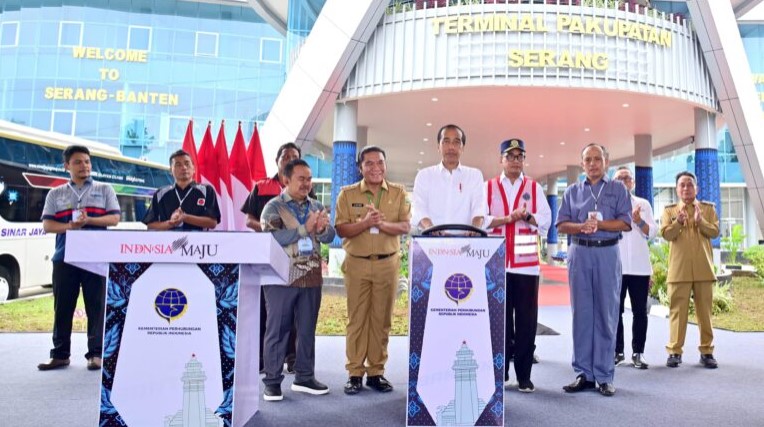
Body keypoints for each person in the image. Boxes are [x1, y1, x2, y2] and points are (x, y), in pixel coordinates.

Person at [334, 146, 411, 395]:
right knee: (357, 319)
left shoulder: (398, 193)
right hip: (356, 263)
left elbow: (405, 226)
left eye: (379, 163)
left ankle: (376, 372)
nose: (375, 168)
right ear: (360, 167)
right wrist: (366, 223)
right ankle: (355, 373)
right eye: (369, 163)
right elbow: (341, 229)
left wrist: (381, 223)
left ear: (385, 166)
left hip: (387, 263)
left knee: (382, 319)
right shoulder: (347, 194)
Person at [556, 144, 631, 397]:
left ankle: (604, 375)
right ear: (582, 164)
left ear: (606, 162)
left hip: (608, 252)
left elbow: (626, 222)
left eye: (597, 159)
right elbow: (561, 225)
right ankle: (584, 374)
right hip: (579, 252)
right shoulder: (572, 192)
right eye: (587, 159)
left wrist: (599, 224)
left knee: (606, 313)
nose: (592, 163)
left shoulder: (618, 189)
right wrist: (580, 227)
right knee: (582, 313)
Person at [38, 145, 121, 371]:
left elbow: (114, 219)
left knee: (96, 306)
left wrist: (89, 221)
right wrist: (70, 226)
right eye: (77, 162)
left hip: (96, 257)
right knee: (62, 306)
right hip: (64, 257)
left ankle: (96, 354)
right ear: (66, 166)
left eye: (86, 161)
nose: (84, 166)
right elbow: (47, 225)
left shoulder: (105, 189)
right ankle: (60, 354)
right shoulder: (56, 193)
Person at [260, 158, 336, 401]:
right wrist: (305, 229)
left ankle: (304, 376)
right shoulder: (273, 206)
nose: (307, 184)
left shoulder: (315, 205)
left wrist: (323, 228)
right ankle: (272, 381)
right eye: (301, 179)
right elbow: (272, 237)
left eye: (309, 179)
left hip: (311, 276)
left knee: (306, 330)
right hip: (281, 277)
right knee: (277, 330)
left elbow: (330, 236)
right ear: (286, 180)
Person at [485, 138, 551, 393]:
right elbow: (479, 220)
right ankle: (499, 373)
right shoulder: (487, 187)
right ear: (501, 159)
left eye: (519, 156)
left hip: (526, 267)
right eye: (509, 156)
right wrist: (507, 218)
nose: (514, 161)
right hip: (497, 265)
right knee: (499, 322)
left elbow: (545, 222)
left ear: (524, 160)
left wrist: (528, 216)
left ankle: (524, 375)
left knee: (526, 322)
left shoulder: (534, 188)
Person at [241, 142, 303, 374]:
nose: (289, 159)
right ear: (277, 161)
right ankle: (262, 358)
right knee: (267, 308)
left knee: (295, 307)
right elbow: (249, 220)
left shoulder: (303, 186)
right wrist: (272, 231)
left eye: (294, 156)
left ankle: (293, 357)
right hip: (265, 254)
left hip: (295, 256)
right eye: (285, 156)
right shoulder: (261, 186)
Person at [660, 171, 720, 369]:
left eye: (689, 185)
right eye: (682, 185)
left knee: (705, 313)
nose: (686, 188)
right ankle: (675, 351)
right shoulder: (669, 211)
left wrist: (700, 220)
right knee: (678, 312)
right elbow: (666, 236)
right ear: (677, 189)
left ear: (697, 188)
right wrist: (678, 222)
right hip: (679, 271)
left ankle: (707, 351)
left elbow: (714, 232)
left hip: (703, 269)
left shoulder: (708, 209)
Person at [613, 167, 657, 369]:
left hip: (639, 268)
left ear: (633, 183)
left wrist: (638, 221)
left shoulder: (643, 204)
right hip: (616, 267)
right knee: (615, 311)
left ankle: (638, 352)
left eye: (627, 178)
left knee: (640, 311)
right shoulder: (608, 204)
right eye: (619, 178)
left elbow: (652, 233)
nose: (623, 181)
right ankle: (617, 351)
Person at [412, 124, 486, 234]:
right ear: (438, 146)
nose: (451, 147)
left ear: (463, 147)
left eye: (456, 142)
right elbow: (419, 208)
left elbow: (479, 208)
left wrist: (475, 229)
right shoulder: (424, 175)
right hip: (432, 243)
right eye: (446, 141)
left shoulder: (474, 175)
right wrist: (431, 228)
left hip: (467, 243)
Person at [142, 149, 220, 231]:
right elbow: (150, 226)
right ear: (171, 171)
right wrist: (171, 223)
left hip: (197, 242)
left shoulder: (207, 190)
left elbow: (212, 223)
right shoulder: (160, 193)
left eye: (187, 164)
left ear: (194, 169)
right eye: (178, 165)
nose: (184, 167)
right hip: (168, 242)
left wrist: (185, 217)